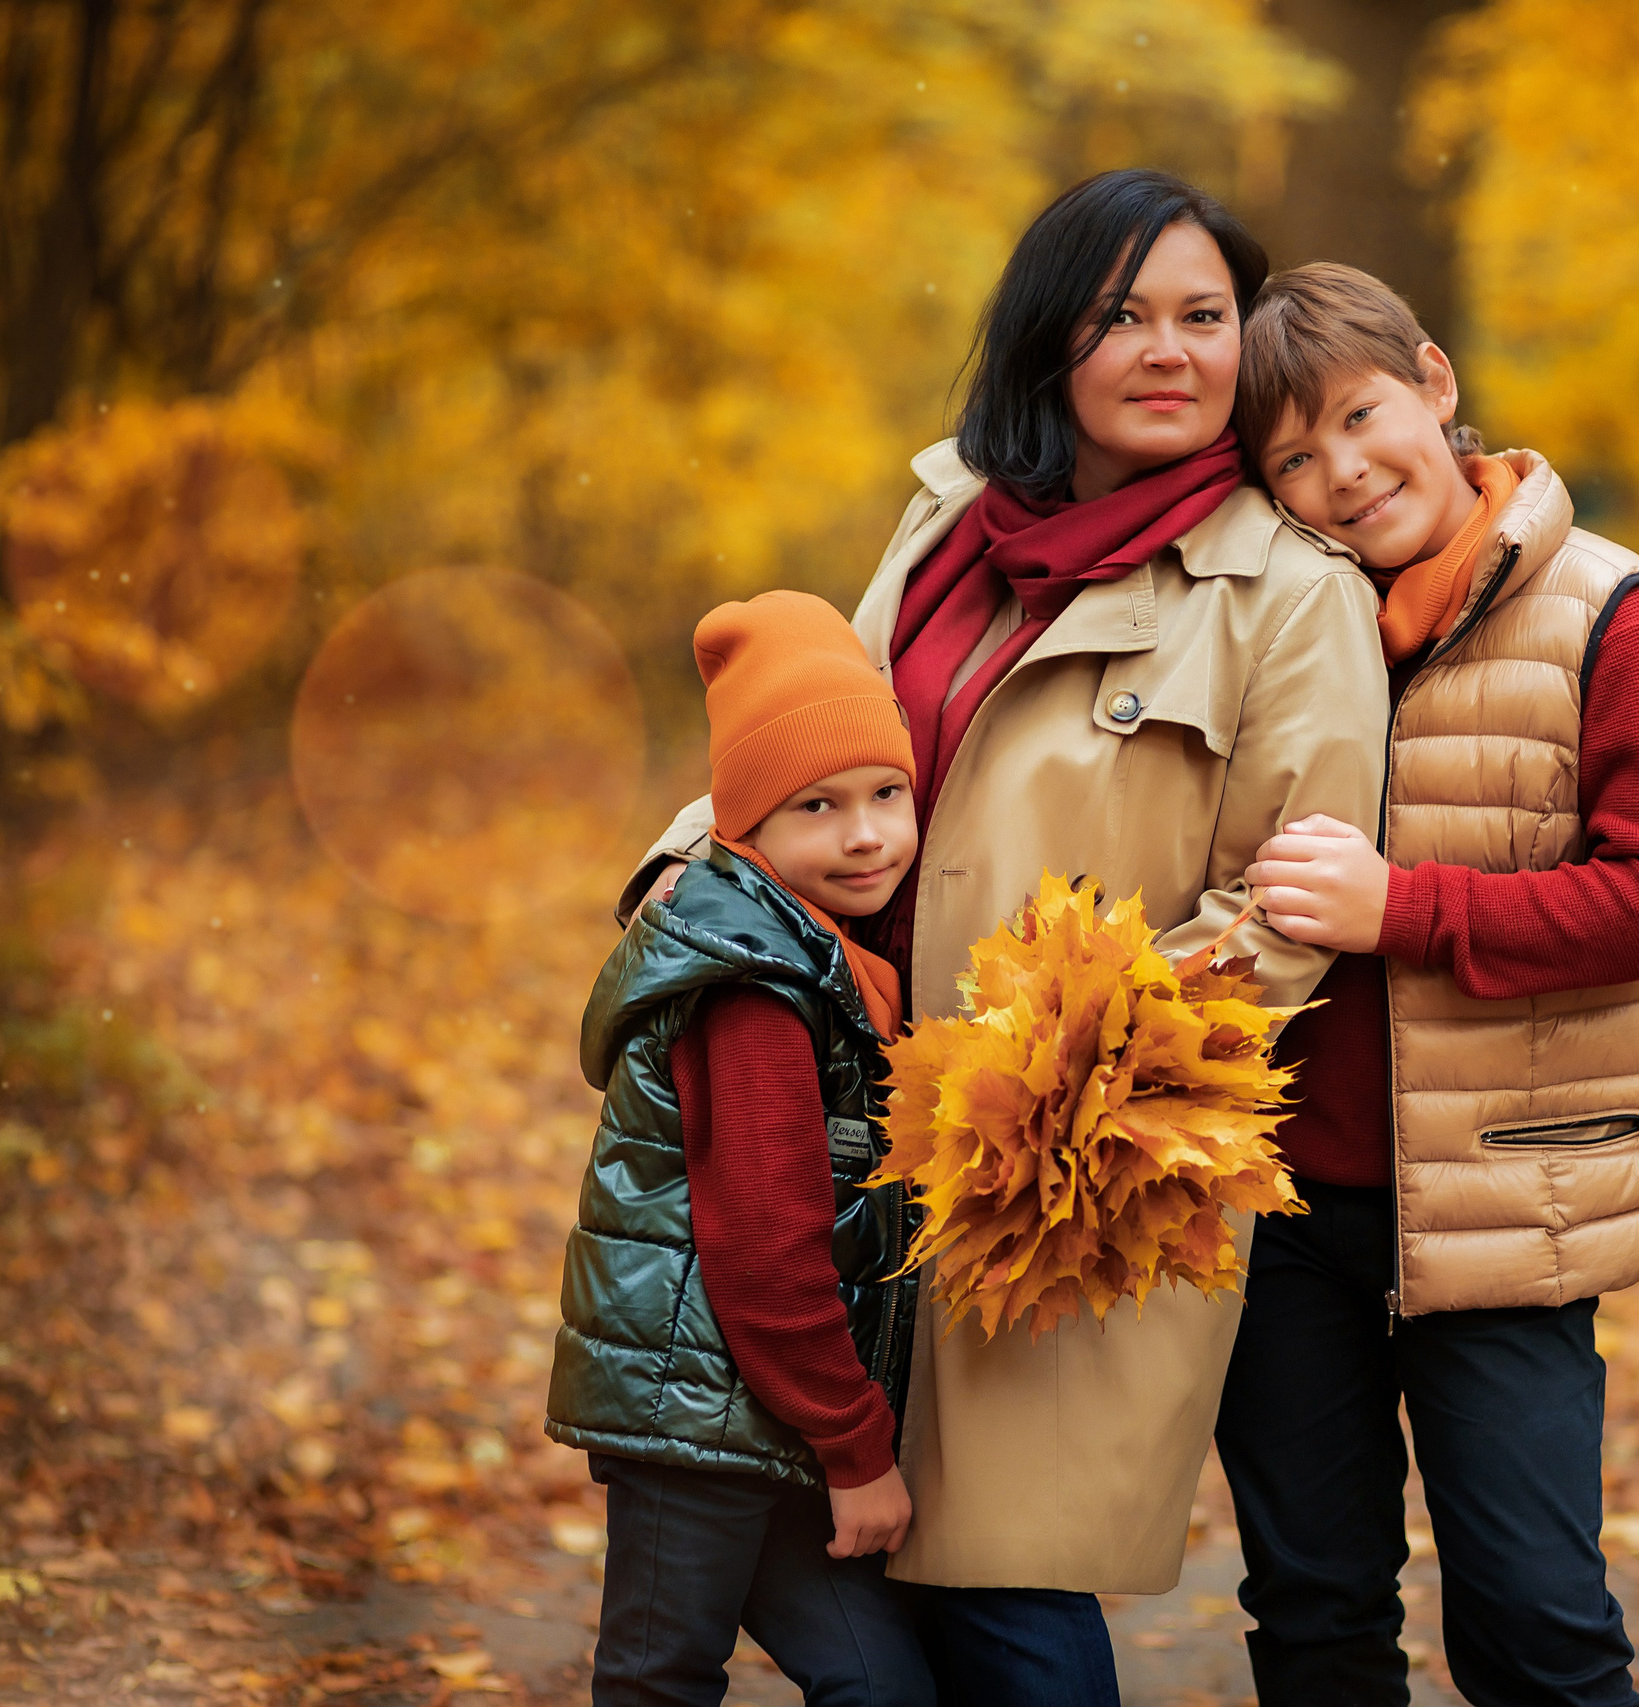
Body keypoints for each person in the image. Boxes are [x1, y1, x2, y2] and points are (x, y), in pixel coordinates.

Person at [621, 172, 1386, 1706]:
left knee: (1006, 1586)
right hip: (845, 1115)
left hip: (1050, 1175)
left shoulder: (1289, 600)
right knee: (856, 1554)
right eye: (1122, 316)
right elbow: (816, 744)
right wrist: (678, 869)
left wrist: (1052, 1103)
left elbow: (1275, 922)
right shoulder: (956, 515)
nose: (1168, 350)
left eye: (1202, 317)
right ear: (1051, 341)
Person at [1221, 262, 1639, 1707]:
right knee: (1315, 1617)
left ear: (1435, 383)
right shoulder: (1281, 630)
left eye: (1359, 415)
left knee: (1535, 1627)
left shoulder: (1606, 610)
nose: (1341, 469)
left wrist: (1404, 907)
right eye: (1292, 458)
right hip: (1284, 1214)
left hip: (1505, 1202)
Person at [547, 590, 932, 1706]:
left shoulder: (820, 952)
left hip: (764, 1409)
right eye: (816, 805)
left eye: (886, 795)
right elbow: (767, 1253)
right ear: (744, 827)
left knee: (882, 1684)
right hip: (697, 1411)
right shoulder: (754, 988)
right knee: (661, 1679)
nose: (864, 835)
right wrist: (857, 1448)